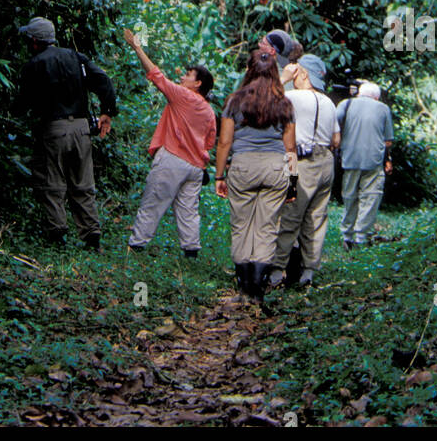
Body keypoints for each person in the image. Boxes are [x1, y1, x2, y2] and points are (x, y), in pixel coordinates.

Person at [14, 16, 117, 251]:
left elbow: (23, 103)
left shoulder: (34, 64)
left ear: (34, 41)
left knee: (53, 182)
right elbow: (103, 80)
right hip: (82, 128)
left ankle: (57, 234)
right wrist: (107, 112)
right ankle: (92, 237)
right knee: (83, 182)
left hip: (54, 129)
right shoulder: (75, 57)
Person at [215, 43, 298, 302]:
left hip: (243, 165)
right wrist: (292, 182)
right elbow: (291, 147)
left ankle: (244, 283)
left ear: (249, 70)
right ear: (275, 71)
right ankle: (258, 286)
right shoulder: (284, 103)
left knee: (241, 224)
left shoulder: (234, 101)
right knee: (267, 226)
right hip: (275, 167)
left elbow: (225, 142)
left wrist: (219, 176)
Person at [123, 29, 216, 258]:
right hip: (195, 167)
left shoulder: (183, 96)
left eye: (188, 75)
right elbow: (209, 143)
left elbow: (156, 75)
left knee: (153, 202)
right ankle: (191, 252)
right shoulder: (209, 111)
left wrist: (137, 47)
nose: (183, 77)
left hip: (173, 159)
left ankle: (136, 247)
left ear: (197, 84)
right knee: (188, 211)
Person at [270, 54, 340, 288]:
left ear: (302, 73)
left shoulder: (292, 97)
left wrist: (283, 78)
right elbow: (336, 139)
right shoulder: (329, 102)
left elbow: (260, 100)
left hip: (302, 160)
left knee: (290, 215)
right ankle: (308, 271)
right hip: (326, 162)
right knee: (316, 218)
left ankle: (277, 271)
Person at [336, 80, 393, 248]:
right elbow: (388, 140)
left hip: (350, 158)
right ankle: (361, 237)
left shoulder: (345, 104)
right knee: (370, 197)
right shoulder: (383, 108)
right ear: (376, 97)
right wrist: (387, 158)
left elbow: (332, 123)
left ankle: (347, 234)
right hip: (373, 161)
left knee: (349, 197)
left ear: (359, 93)